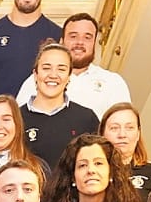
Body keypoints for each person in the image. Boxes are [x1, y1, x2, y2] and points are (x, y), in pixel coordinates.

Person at [16, 14, 130, 117]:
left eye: (87, 37)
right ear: (61, 41)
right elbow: (19, 121)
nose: (80, 42)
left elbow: (124, 125)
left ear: (94, 44)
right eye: (73, 36)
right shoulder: (40, 80)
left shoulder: (113, 82)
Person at [19, 42, 99, 172]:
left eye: (61, 69)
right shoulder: (15, 118)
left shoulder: (86, 119)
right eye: (46, 68)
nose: (53, 75)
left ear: (69, 77)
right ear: (35, 74)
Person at [101, 102, 151, 202]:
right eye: (114, 128)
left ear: (138, 134)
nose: (122, 135)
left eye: (129, 128)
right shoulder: (93, 172)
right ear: (102, 134)